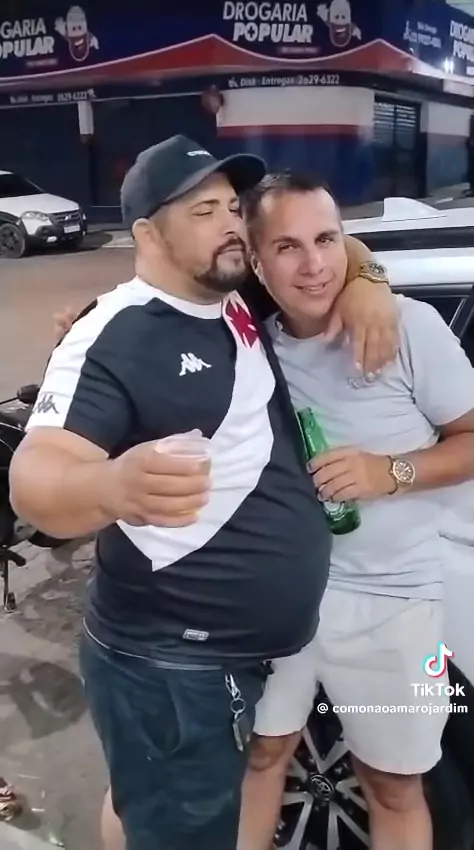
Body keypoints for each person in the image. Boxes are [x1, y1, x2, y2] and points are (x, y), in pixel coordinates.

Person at [10, 136, 397, 850]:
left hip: (233, 654)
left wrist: (368, 282)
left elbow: (336, 245)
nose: (230, 224)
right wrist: (108, 484)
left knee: (155, 812)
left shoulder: (231, 293)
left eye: (232, 207)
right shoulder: (114, 334)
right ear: (147, 235)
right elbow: (36, 475)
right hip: (172, 664)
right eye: (202, 211)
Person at [235, 171, 474, 850]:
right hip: (283, 599)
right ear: (257, 262)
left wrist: (388, 472)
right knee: (260, 758)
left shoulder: (409, 327)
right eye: (287, 247)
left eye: (326, 240)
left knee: (394, 786)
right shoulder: (249, 346)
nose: (314, 264)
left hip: (396, 607)